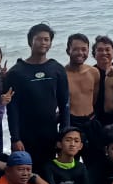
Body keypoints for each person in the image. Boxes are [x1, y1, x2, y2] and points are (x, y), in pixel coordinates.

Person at [5, 23, 71, 172]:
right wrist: (15, 138)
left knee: (49, 173)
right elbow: (12, 108)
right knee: (25, 173)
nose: (43, 43)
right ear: (30, 41)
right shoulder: (16, 72)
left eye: (46, 39)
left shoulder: (57, 69)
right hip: (25, 134)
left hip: (50, 133)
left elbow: (64, 103)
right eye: (39, 39)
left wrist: (64, 134)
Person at [64, 34, 100, 149]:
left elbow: (94, 98)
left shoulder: (94, 72)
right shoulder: (62, 74)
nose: (80, 53)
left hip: (91, 121)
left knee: (95, 162)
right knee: (70, 162)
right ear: (68, 50)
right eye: (75, 49)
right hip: (71, 123)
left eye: (84, 49)